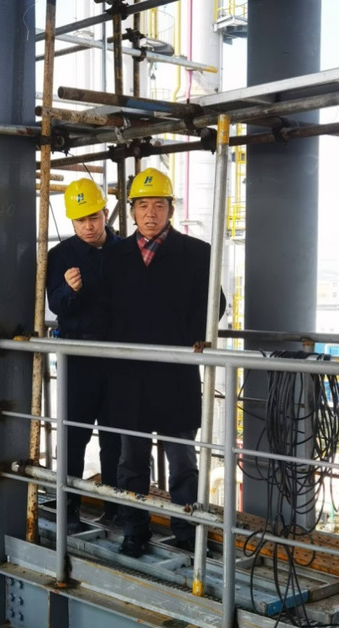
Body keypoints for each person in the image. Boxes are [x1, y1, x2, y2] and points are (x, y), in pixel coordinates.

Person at [93, 167, 225, 557]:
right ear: (132, 210)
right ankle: (135, 529)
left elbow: (214, 304)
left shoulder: (197, 253)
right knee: (131, 461)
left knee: (182, 460)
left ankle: (187, 532)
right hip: (129, 376)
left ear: (171, 209)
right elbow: (104, 309)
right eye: (143, 206)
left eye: (159, 205)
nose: (150, 213)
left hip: (175, 372)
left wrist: (192, 338)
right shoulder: (114, 256)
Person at [46, 178, 122, 533]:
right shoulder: (60, 256)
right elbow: (55, 304)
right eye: (80, 221)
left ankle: (115, 510)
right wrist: (69, 290)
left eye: (93, 217)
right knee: (74, 436)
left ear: (105, 213)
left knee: (115, 437)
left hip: (120, 358)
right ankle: (69, 509)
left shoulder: (125, 251)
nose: (88, 226)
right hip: (78, 357)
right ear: (72, 221)